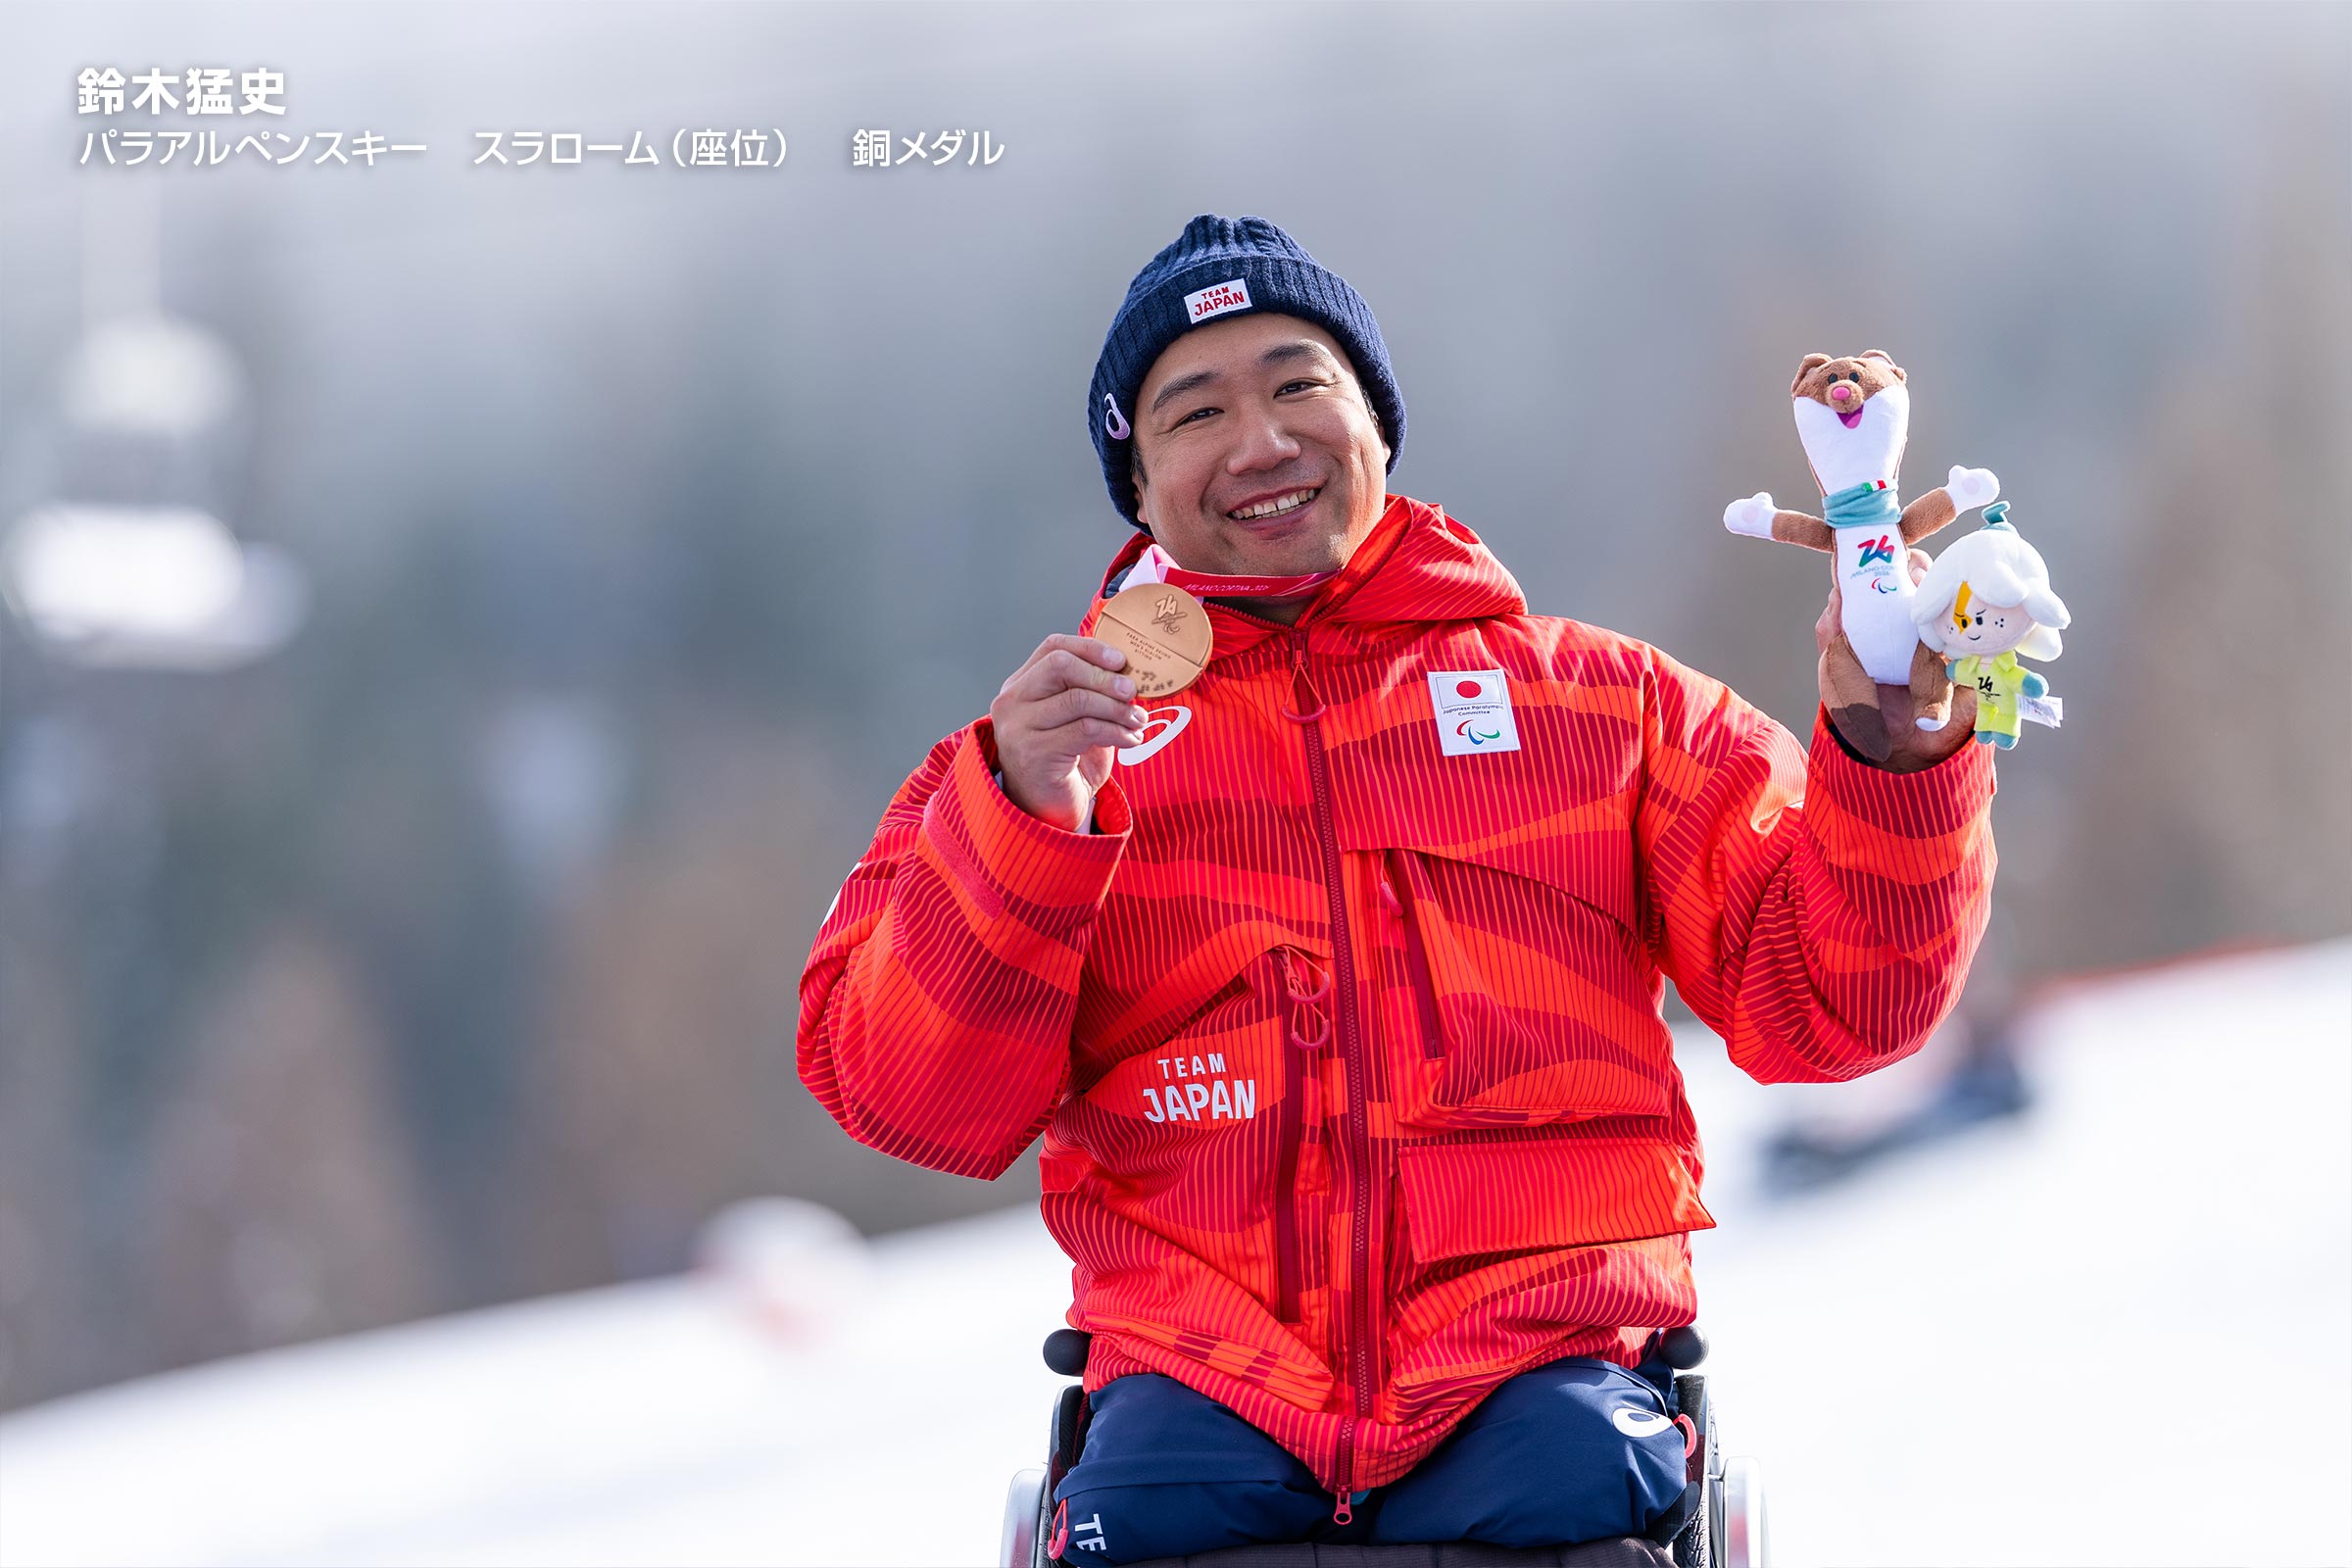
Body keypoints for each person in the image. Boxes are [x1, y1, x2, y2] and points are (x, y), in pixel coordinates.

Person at [798, 215, 1997, 1563]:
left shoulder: (1605, 709)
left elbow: (1837, 1003)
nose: (1261, 441)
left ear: (1378, 425)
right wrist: (1023, 819)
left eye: (1300, 383)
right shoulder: (1040, 760)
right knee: (1145, 1507)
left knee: (1577, 1483)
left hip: (1542, 1369)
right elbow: (914, 1100)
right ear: (1137, 482)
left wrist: (1895, 755)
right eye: (1197, 410)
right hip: (1199, 1386)